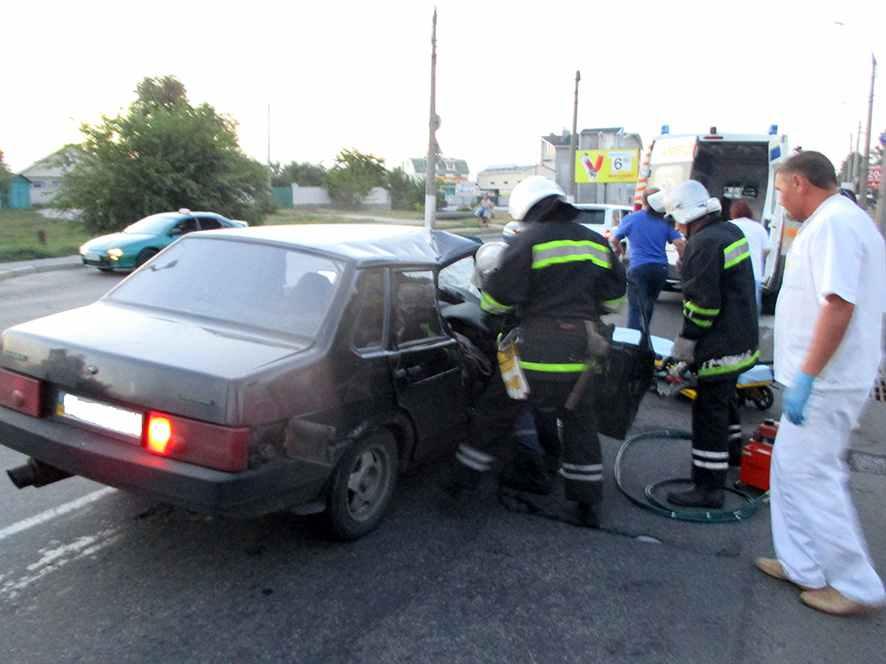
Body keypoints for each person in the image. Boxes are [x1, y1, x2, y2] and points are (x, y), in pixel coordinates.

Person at [755, 151, 886, 616]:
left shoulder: (835, 225)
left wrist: (808, 374)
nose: (782, 200)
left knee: (813, 477)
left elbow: (838, 305)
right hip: (824, 375)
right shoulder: (839, 221)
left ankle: (855, 585)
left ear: (799, 182)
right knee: (789, 471)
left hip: (828, 378)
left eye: (782, 189)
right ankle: (803, 564)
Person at [480, 176, 626, 527]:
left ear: (529, 212)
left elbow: (495, 300)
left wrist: (501, 315)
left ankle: (459, 487)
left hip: (533, 355)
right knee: (580, 425)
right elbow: (616, 299)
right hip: (582, 356)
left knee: (494, 414)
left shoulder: (527, 241)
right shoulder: (595, 242)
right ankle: (587, 505)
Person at [662, 180, 758, 508]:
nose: (675, 225)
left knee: (708, 411)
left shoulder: (703, 244)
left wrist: (685, 344)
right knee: (725, 400)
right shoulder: (730, 232)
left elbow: (703, 305)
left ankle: (708, 486)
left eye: (676, 218)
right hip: (742, 338)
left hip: (720, 345)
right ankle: (732, 455)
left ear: (688, 216)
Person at [442, 241, 558, 500]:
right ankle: (549, 460)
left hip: (517, 357)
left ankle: (468, 481)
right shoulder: (535, 281)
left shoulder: (506, 289)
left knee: (496, 414)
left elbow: (490, 312)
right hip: (546, 356)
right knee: (535, 411)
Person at [609, 187, 685, 331]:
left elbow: (613, 240)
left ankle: (631, 346)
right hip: (660, 270)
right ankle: (644, 339)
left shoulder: (631, 219)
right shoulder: (665, 222)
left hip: (638, 269)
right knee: (648, 305)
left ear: (643, 201)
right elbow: (680, 244)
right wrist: (681, 260)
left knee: (635, 309)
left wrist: (619, 251)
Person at [728, 200, 771, 313]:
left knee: (732, 310)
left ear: (733, 212)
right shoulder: (759, 228)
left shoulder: (729, 226)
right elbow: (766, 250)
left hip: (732, 274)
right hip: (754, 274)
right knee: (753, 310)